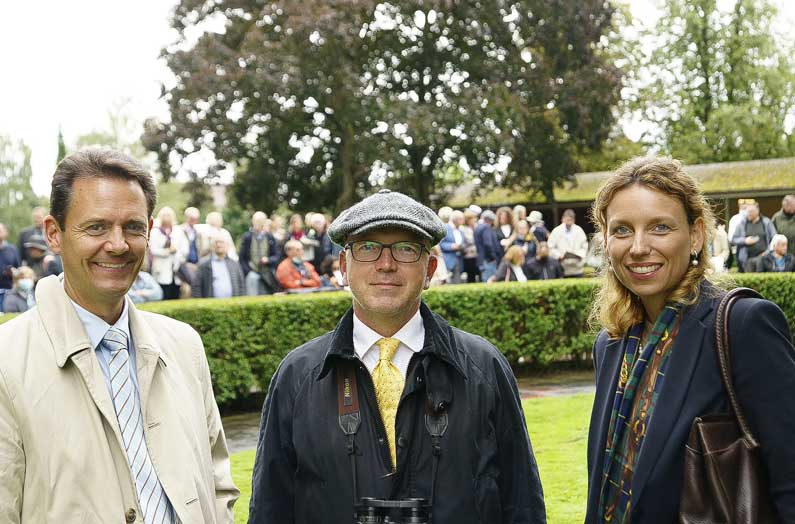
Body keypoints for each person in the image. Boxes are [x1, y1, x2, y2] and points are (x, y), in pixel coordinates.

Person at [248, 189, 546, 524]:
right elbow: (269, 508)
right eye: (368, 248)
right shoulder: (298, 376)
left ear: (430, 269)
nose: (386, 265)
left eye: (405, 249)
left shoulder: (483, 368)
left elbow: (522, 503)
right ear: (344, 267)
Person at [0, 149, 238, 522]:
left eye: (132, 227)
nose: (118, 244)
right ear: (54, 234)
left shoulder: (184, 346)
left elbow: (217, 481)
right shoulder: (7, 361)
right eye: (96, 227)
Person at [585, 156, 795, 524]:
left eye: (660, 227)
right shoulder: (612, 343)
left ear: (696, 235)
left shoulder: (742, 326)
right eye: (621, 230)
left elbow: (790, 480)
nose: (637, 247)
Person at [239, 211, 281, 295]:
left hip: (267, 273)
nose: (257, 223)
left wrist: (268, 260)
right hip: (252, 273)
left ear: (264, 222)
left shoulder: (269, 237)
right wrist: (248, 272)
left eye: (260, 221)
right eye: (255, 220)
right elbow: (241, 258)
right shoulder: (247, 237)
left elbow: (277, 256)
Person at [730, 200, 777, 272]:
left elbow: (774, 239)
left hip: (764, 259)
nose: (749, 214)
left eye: (751, 211)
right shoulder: (742, 224)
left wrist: (767, 252)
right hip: (746, 260)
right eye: (747, 211)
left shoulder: (766, 222)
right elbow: (733, 239)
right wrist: (745, 240)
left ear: (757, 211)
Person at [149, 206, 184, 300]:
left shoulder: (178, 230)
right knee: (164, 293)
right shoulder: (155, 231)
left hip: (176, 268)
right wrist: (168, 251)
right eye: (164, 215)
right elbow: (153, 249)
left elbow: (184, 247)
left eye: (169, 215)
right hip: (161, 267)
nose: (166, 218)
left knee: (176, 293)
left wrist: (177, 253)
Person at [547, 208, 588, 277]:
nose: (569, 221)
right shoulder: (556, 231)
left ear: (574, 220)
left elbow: (584, 246)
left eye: (571, 219)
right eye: (567, 219)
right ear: (562, 219)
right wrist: (559, 255)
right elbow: (550, 247)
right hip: (562, 266)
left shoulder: (579, 230)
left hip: (577, 267)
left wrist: (580, 255)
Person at [175, 206, 204, 298]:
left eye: (196, 219)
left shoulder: (198, 232)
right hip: (183, 265)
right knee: (186, 290)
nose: (194, 221)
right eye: (192, 219)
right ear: (186, 217)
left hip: (197, 264)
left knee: (197, 288)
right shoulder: (178, 230)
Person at [474, 209, 501, 282]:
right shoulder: (486, 227)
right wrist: (494, 257)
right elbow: (488, 244)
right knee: (489, 281)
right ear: (490, 220)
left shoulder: (478, 227)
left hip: (482, 259)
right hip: (488, 260)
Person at [440, 209, 465, 283]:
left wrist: (461, 246)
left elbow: (463, 243)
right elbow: (440, 244)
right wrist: (451, 246)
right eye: (461, 219)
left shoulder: (461, 230)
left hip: (459, 259)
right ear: (455, 219)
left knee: (457, 282)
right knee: (447, 282)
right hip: (447, 259)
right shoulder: (445, 228)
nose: (463, 221)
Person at [0, 222, 21, 311]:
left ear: (6, 232)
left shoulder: (12, 249)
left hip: (9, 290)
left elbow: (18, 267)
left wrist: (13, 271)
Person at [460, 209, 480, 282]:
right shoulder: (463, 229)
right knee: (471, 275)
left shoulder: (477, 227)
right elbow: (470, 240)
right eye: (473, 218)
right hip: (469, 256)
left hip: (478, 255)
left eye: (475, 218)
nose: (475, 220)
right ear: (468, 219)